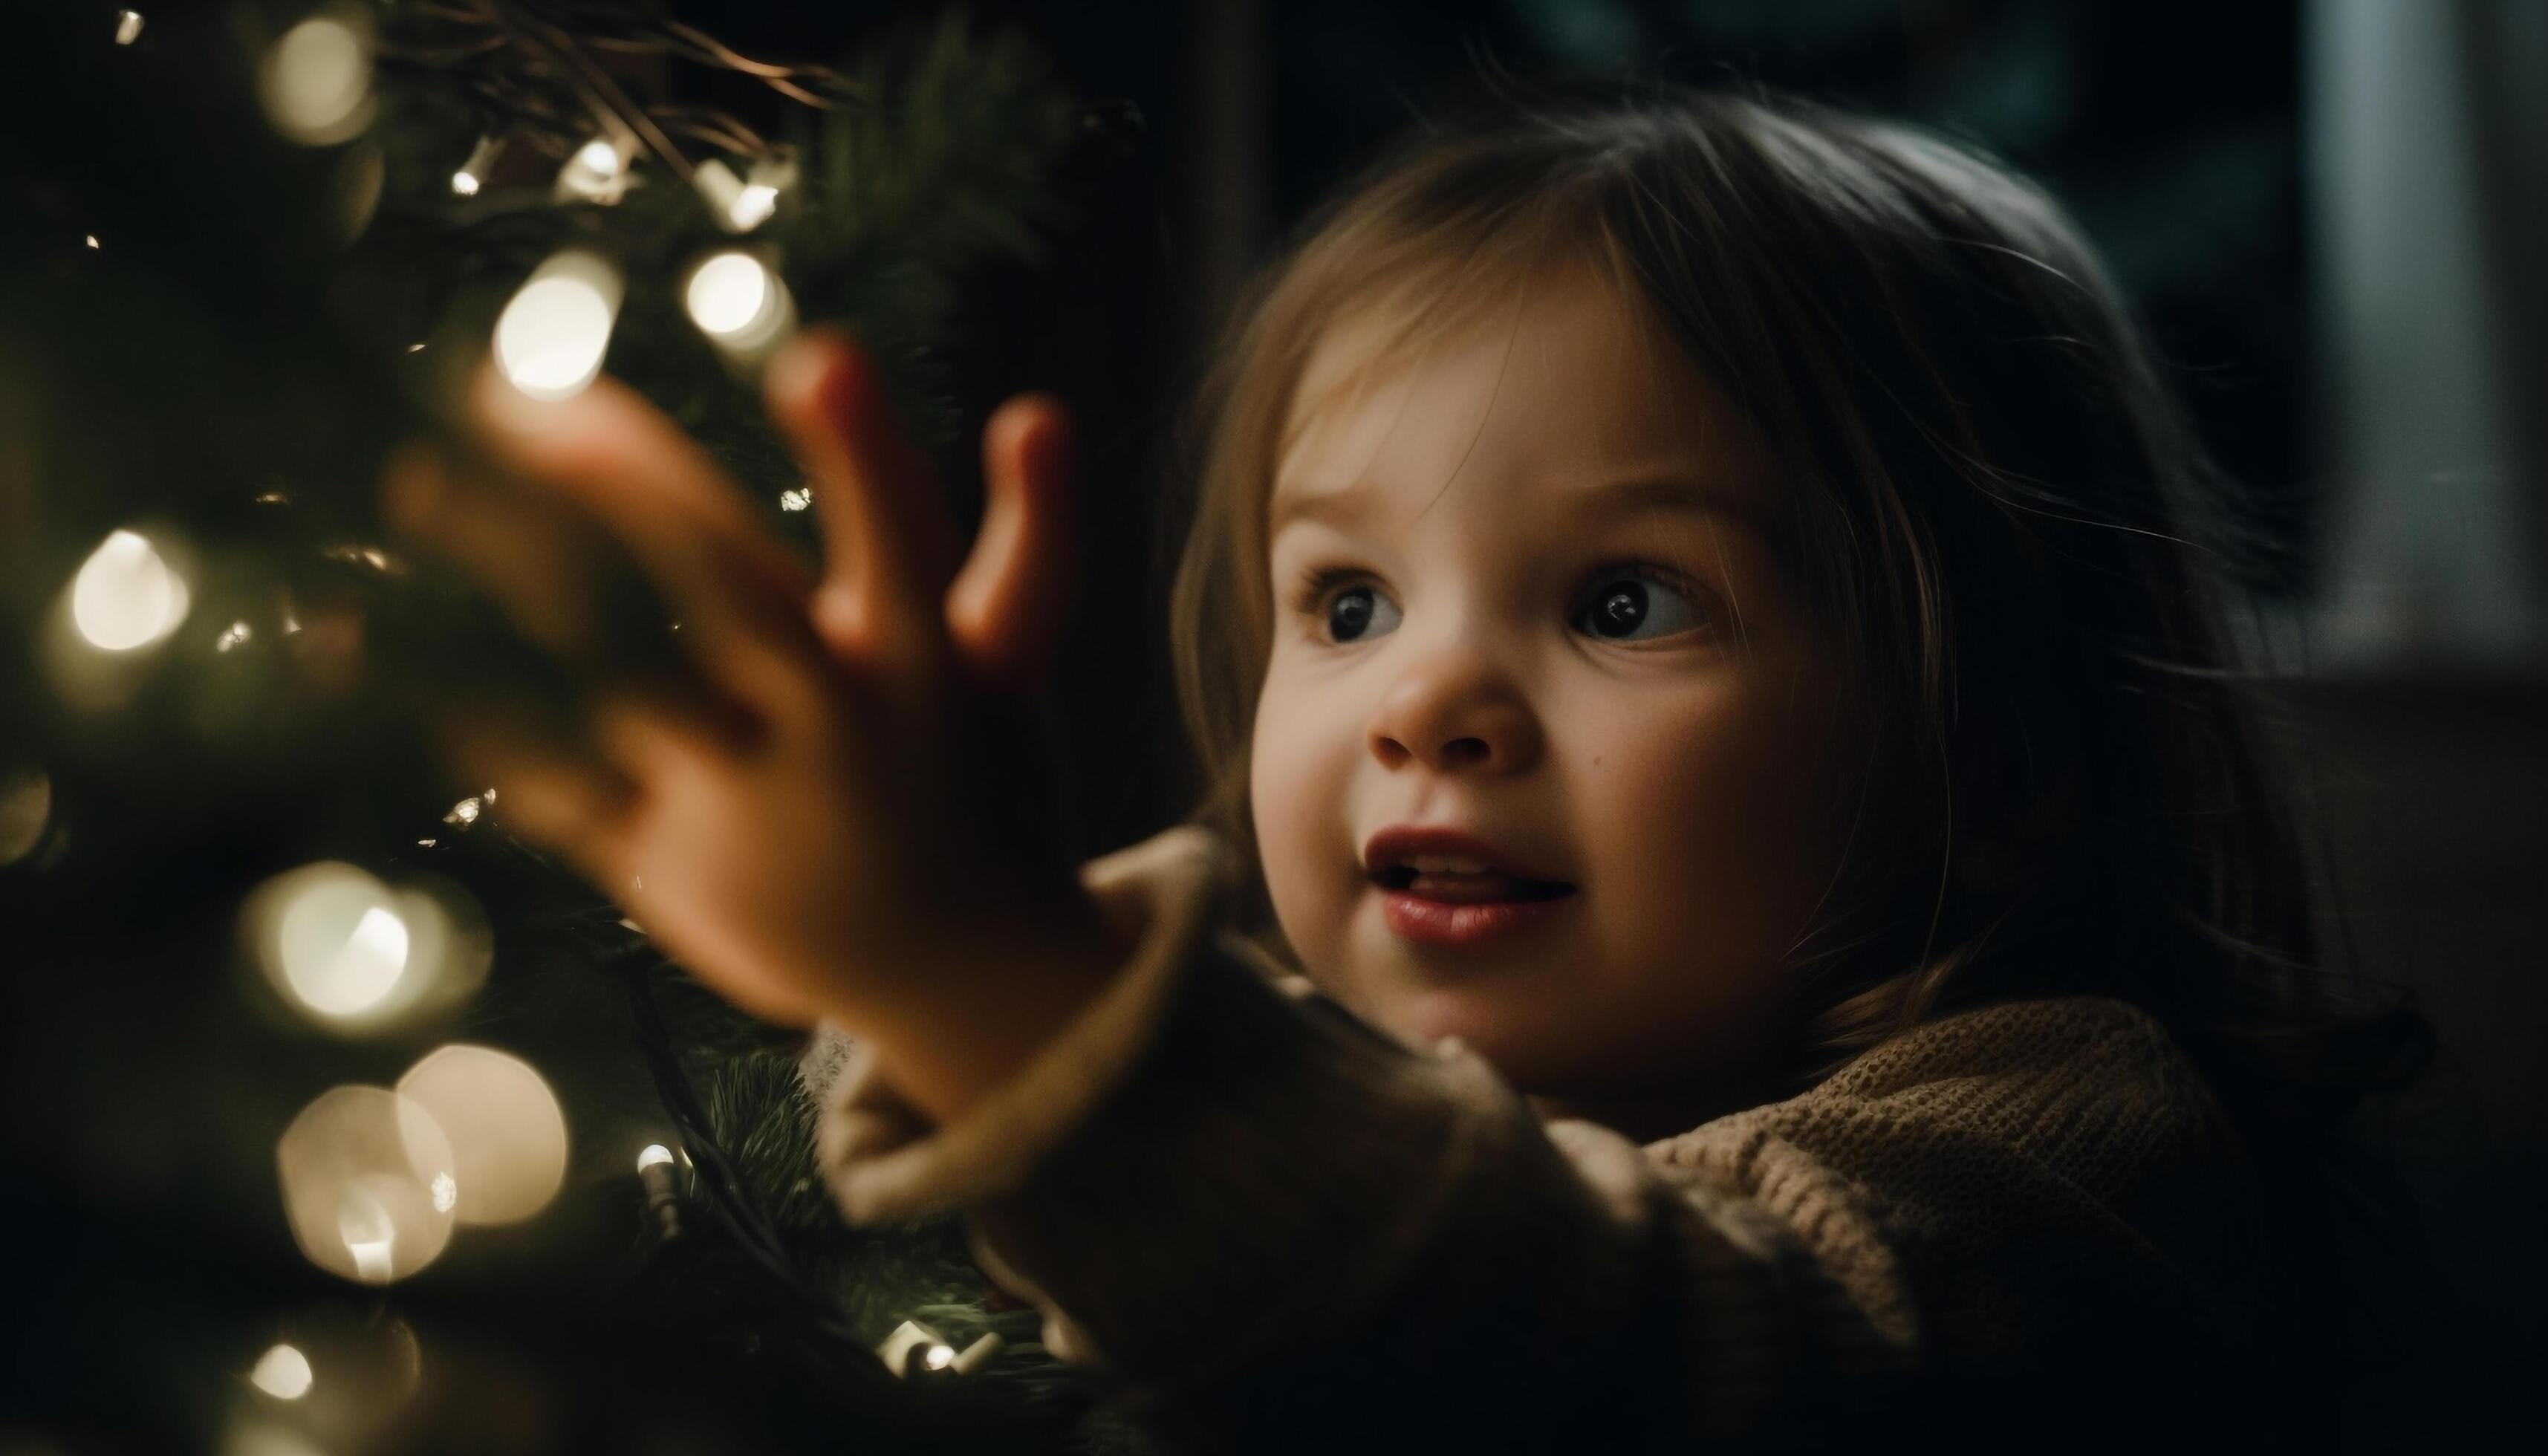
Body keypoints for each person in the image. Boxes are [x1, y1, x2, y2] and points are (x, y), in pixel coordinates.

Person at [386, 82, 2431, 1451]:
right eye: (1348, 602)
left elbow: (1572, 1347)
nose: (1425, 703)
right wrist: (863, 937)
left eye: (1628, 601)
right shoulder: (1283, 1062)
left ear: (2004, 756)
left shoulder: (2064, 1146)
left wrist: (980, 972)